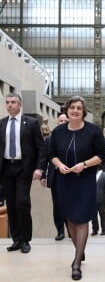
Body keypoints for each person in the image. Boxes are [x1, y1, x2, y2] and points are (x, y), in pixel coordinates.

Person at [50, 95, 105, 280]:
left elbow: (101, 156)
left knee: (82, 218)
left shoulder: (93, 131)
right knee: (70, 218)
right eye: (72, 107)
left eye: (79, 108)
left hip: (85, 180)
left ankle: (76, 263)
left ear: (84, 112)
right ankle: (79, 249)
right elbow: (52, 154)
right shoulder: (58, 132)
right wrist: (59, 165)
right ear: (67, 110)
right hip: (64, 180)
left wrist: (83, 164)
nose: (75, 110)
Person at [0, 93, 46, 254]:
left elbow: (41, 148)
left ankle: (26, 240)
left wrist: (39, 168)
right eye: (7, 102)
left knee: (22, 202)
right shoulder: (2, 123)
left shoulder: (31, 123)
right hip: (6, 169)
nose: (9, 105)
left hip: (23, 168)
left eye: (13, 102)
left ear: (20, 105)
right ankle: (16, 239)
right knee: (11, 205)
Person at [40, 113, 69, 241]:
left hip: (71, 176)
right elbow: (44, 159)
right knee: (57, 205)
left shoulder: (73, 137)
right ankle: (60, 231)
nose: (62, 123)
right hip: (55, 176)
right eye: (60, 121)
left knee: (70, 204)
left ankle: (71, 231)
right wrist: (42, 176)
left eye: (64, 121)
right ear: (57, 123)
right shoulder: (49, 140)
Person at [91, 165, 105, 236]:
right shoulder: (91, 175)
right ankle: (95, 230)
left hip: (102, 198)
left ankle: (104, 230)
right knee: (93, 215)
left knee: (102, 214)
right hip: (92, 199)